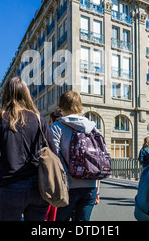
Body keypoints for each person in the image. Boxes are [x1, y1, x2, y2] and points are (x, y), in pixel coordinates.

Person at [0, 77, 58, 221]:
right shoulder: (39, 118)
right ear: (27, 94)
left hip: (10, 186)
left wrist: (4, 155)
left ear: (6, 94)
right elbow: (53, 153)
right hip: (38, 187)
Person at [51, 90, 100, 221]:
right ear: (79, 105)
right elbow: (98, 158)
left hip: (67, 186)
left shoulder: (57, 127)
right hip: (90, 185)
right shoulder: (93, 128)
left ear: (61, 105)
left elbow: (51, 158)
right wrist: (97, 188)